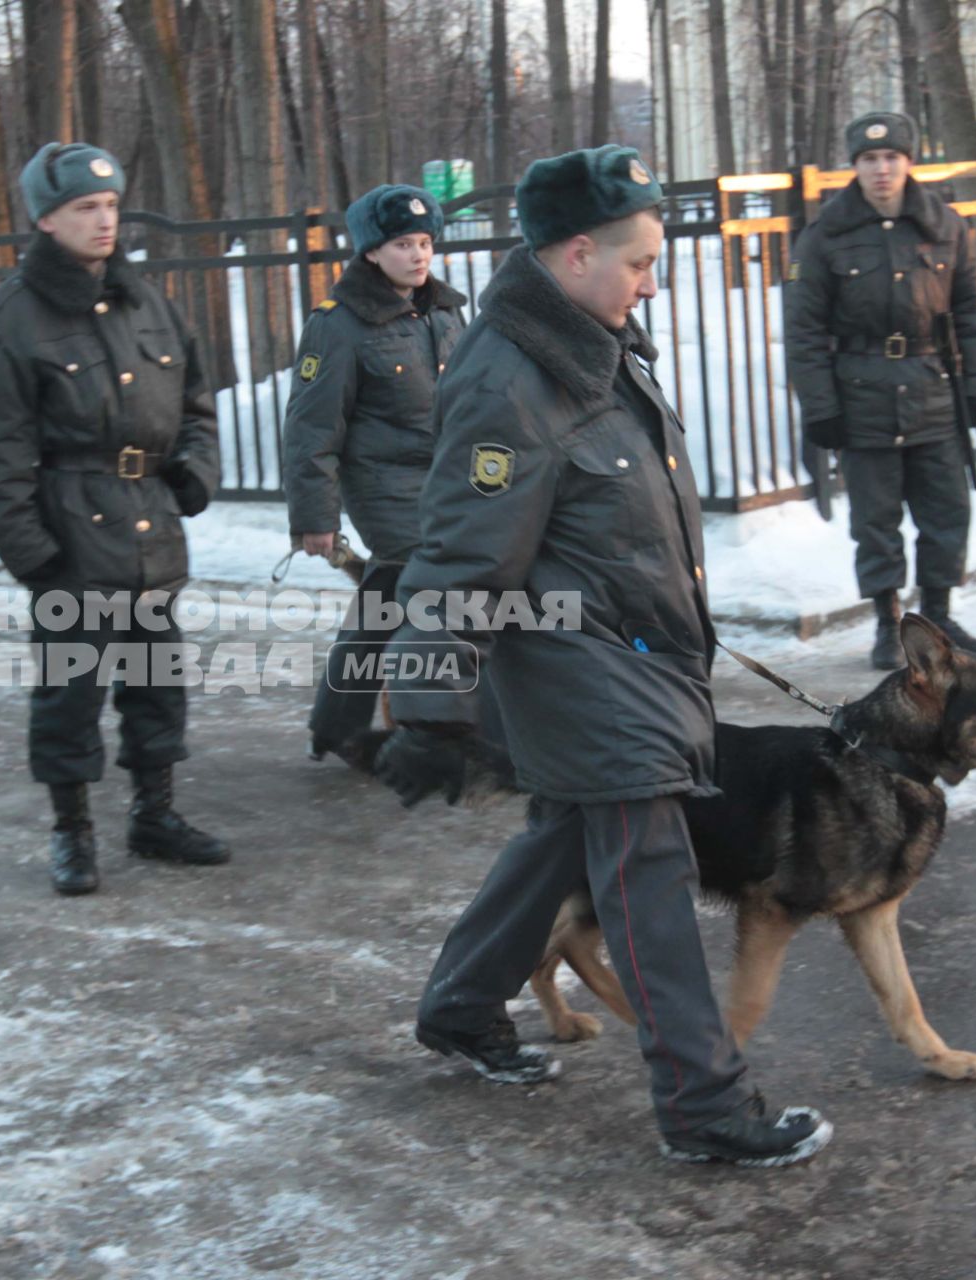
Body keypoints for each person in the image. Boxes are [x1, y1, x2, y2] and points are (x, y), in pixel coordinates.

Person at [371, 144, 832, 1167]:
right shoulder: (509, 381)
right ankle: (707, 1106)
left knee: (562, 840)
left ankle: (458, 1003)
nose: (652, 279)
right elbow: (459, 552)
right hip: (581, 672)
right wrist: (431, 701)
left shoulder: (597, 342)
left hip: (634, 657)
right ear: (576, 252)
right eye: (637, 261)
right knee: (647, 885)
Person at [0, 142, 228, 897]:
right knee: (69, 693)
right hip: (70, 535)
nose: (104, 220)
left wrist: (194, 474)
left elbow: (197, 405)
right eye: (85, 208)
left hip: (151, 527)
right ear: (47, 219)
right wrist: (34, 557)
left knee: (157, 681)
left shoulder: (149, 303)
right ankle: (72, 831)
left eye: (111, 206)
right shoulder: (10, 318)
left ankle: (156, 815)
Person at [785, 110, 976, 670]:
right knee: (876, 521)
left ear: (909, 161)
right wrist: (821, 409)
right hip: (861, 394)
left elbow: (974, 311)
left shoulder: (945, 226)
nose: (881, 169)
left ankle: (939, 615)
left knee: (945, 509)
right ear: (853, 166)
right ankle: (888, 623)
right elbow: (803, 331)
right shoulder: (824, 236)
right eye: (869, 159)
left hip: (933, 386)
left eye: (891, 158)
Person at [283, 184, 467, 771]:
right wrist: (316, 518)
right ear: (369, 252)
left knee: (385, 604)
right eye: (402, 244)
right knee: (429, 597)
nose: (418, 256)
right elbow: (312, 426)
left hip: (452, 484)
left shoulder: (445, 309)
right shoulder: (338, 324)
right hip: (386, 489)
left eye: (424, 243)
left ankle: (336, 726)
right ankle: (428, 730)